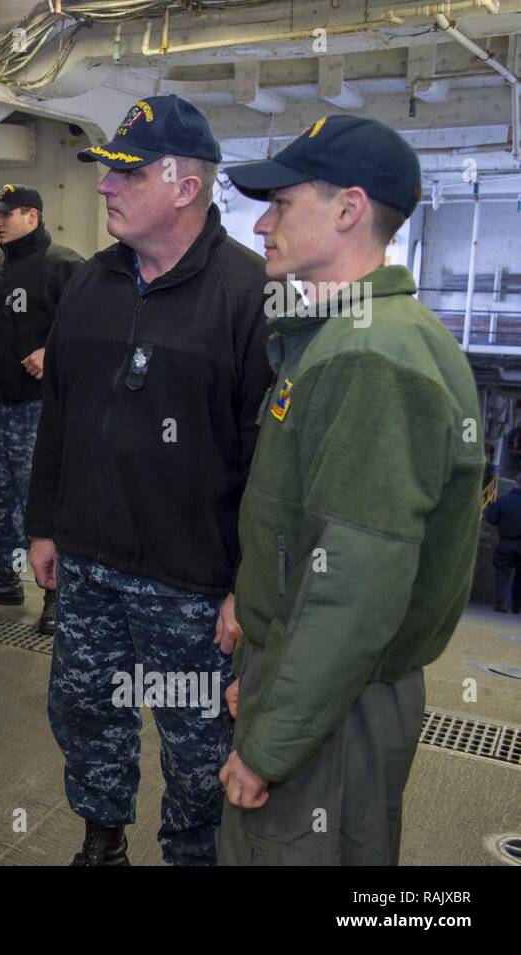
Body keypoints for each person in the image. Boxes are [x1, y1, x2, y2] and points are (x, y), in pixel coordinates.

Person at [217, 115, 485, 865]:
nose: (263, 222)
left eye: (282, 202)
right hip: (319, 685)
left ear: (348, 208)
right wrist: (261, 638)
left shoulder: (368, 357)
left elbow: (354, 590)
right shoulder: (358, 336)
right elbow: (307, 536)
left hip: (336, 703)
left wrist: (271, 742)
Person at [27, 96, 273, 865]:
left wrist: (248, 581)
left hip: (193, 581)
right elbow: (58, 412)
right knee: (87, 712)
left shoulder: (250, 294)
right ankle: (103, 841)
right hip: (91, 563)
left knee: (199, 747)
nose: (105, 188)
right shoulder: (91, 284)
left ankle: (191, 856)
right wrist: (44, 522)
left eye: (125, 174)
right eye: (107, 173)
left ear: (185, 186)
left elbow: (268, 459)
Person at [0, 184, 83, 635]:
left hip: (37, 411)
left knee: (40, 504)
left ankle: (56, 594)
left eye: (6, 214)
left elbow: (91, 326)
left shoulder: (64, 265)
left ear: (32, 215)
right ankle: (5, 578)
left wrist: (51, 351)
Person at [485, 483, 521, 612]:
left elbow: (490, 518)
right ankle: (517, 607)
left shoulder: (503, 500)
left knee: (503, 572)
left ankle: (503, 602)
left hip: (507, 542)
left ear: (515, 484)